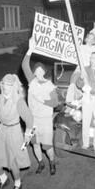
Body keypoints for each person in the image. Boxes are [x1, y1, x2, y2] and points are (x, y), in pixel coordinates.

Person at [0, 74, 34, 189]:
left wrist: (28, 135)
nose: (4, 87)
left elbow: (29, 119)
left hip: (14, 132)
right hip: (1, 131)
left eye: (8, 85)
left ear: (13, 86)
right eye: (3, 84)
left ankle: (18, 183)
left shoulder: (19, 101)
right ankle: (3, 179)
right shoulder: (1, 97)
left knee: (12, 163)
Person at [22, 38, 59, 175]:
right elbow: (25, 65)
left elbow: (55, 103)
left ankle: (52, 162)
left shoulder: (50, 85)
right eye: (35, 70)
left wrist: (42, 100)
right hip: (32, 120)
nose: (38, 72)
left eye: (40, 70)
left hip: (45, 119)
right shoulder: (31, 81)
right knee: (35, 143)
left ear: (44, 72)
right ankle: (41, 162)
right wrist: (30, 50)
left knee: (47, 146)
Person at [76, 51, 95, 153]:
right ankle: (85, 144)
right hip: (86, 97)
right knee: (86, 121)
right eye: (91, 58)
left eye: (94, 58)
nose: (92, 59)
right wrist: (81, 78)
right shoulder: (85, 69)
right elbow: (79, 84)